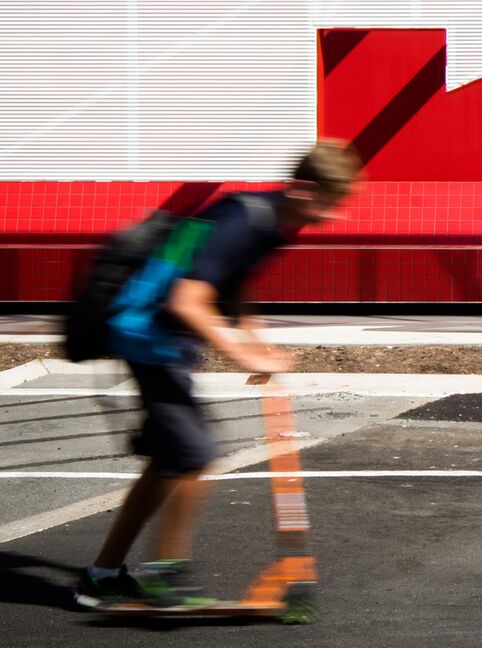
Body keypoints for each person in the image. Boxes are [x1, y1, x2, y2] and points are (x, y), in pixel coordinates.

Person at [76, 140, 361, 612]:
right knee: (194, 454)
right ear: (306, 189)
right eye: (330, 204)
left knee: (170, 459)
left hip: (160, 339)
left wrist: (255, 337)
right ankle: (166, 578)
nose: (334, 217)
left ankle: (100, 577)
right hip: (147, 336)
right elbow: (187, 300)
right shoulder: (242, 221)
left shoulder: (273, 222)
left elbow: (232, 282)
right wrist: (244, 356)